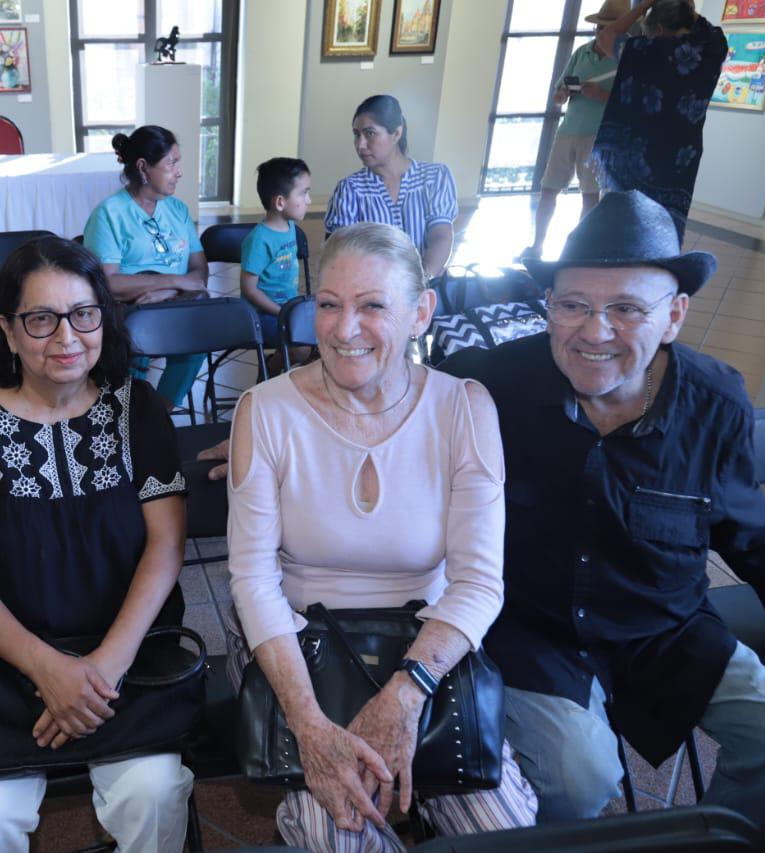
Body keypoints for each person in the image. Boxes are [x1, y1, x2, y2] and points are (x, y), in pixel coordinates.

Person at [437, 191, 765, 839]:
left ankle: (716, 836)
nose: (594, 331)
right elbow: (388, 404)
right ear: (549, 306)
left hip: (664, 626)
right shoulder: (488, 384)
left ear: (675, 316)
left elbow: (749, 532)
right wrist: (293, 426)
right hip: (531, 633)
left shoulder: (714, 400)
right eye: (572, 305)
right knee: (580, 772)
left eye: (626, 307)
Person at [225, 222, 537, 852]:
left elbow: (479, 583)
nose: (344, 330)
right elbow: (253, 580)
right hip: (297, 647)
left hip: (425, 652)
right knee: (342, 835)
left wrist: (406, 693)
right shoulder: (264, 410)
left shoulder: (463, 408)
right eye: (330, 305)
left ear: (421, 311)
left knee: (505, 835)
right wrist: (310, 724)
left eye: (372, 306)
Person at [0, 236, 194, 852]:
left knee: (155, 793)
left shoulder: (135, 407)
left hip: (123, 657)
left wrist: (101, 671)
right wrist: (48, 670)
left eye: (83, 314)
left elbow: (165, 546)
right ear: (9, 331)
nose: (67, 338)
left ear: (103, 319)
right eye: (41, 319)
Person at [83, 125, 209, 409]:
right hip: (129, 313)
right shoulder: (110, 214)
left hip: (176, 307)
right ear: (143, 167)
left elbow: (199, 270)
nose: (179, 171)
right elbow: (108, 283)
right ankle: (130, 414)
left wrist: (168, 293)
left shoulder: (178, 210)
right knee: (139, 333)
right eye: (171, 163)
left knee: (197, 338)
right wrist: (173, 282)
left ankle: (158, 415)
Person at [591, 0, 727, 241]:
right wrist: (683, 7)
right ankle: (660, 264)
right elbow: (707, 28)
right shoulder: (711, 50)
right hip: (680, 155)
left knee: (624, 225)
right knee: (667, 227)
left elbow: (607, 36)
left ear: (660, 28)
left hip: (635, 154)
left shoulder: (645, 50)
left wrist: (643, 6)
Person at [522, 0, 624, 260]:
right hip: (568, 131)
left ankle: (579, 250)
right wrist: (563, 93)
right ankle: (537, 244)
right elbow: (558, 93)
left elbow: (629, 103)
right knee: (548, 188)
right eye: (600, 27)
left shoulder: (626, 59)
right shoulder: (581, 52)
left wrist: (600, 94)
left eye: (608, 28)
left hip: (597, 136)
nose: (602, 33)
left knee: (590, 195)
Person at [323, 95, 457, 279]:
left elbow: (441, 236)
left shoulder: (434, 178)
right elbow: (339, 254)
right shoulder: (350, 189)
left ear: (396, 133)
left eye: (370, 133)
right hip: (373, 292)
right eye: (356, 134)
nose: (360, 144)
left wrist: (421, 283)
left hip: (428, 287)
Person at [241, 157, 314, 367]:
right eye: (303, 193)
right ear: (280, 202)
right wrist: (280, 311)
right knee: (301, 346)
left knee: (325, 330)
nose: (308, 200)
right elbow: (249, 289)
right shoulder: (259, 240)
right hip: (260, 315)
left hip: (286, 308)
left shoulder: (291, 228)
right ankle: (272, 368)